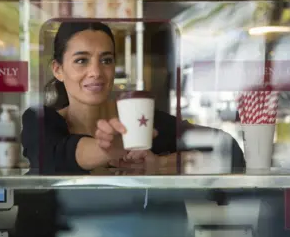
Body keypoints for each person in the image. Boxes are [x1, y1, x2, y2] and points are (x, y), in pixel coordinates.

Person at [22, 21, 245, 175]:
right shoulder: (40, 120)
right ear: (58, 69)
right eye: (81, 60)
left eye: (106, 60)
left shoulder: (142, 121)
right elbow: (54, 158)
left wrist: (160, 165)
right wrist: (111, 149)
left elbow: (228, 150)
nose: (96, 72)